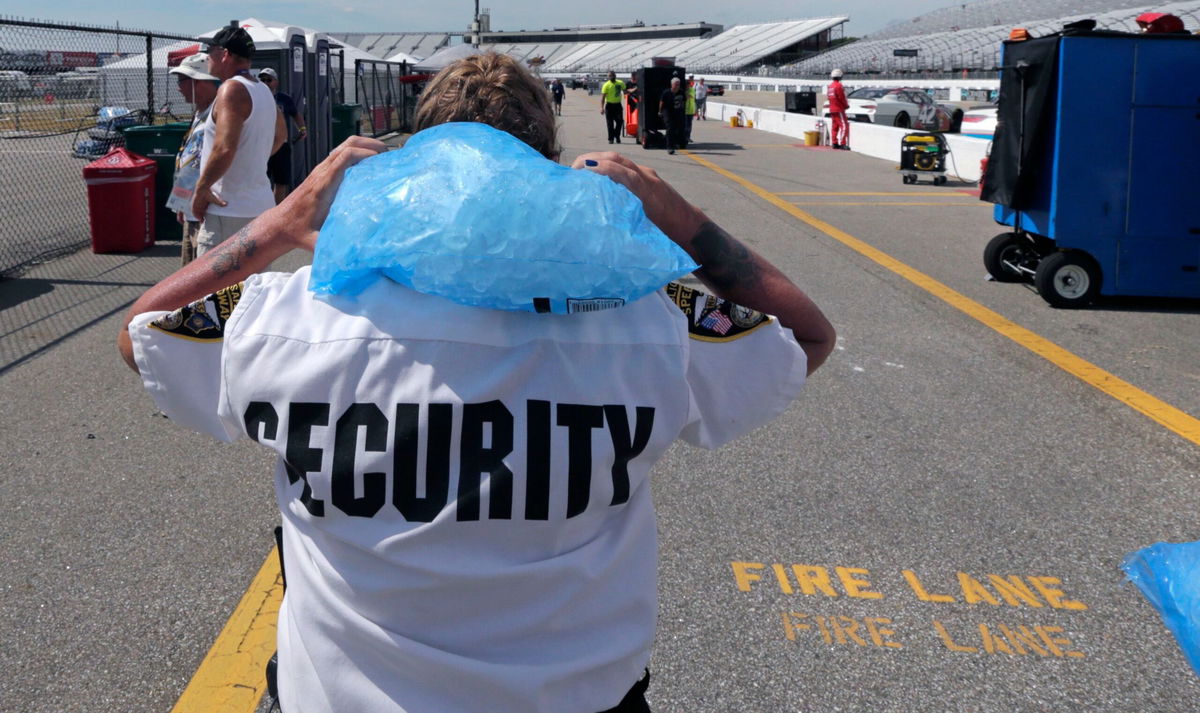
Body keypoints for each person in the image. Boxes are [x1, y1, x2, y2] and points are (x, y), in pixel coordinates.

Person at [117, 51, 834, 713]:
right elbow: (806, 334)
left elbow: (142, 332)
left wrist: (282, 220)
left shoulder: (294, 313)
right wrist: (676, 217)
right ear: (552, 169)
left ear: (413, 162)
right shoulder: (653, 320)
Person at [190, 26, 278, 255]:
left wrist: (201, 190)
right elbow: (281, 137)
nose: (207, 58)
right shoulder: (263, 90)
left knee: (218, 289)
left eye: (210, 52)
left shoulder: (232, 89)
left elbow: (224, 148)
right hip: (258, 206)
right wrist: (251, 160)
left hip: (228, 212)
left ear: (224, 54)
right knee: (252, 288)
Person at [165, 53, 219, 266]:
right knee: (188, 267)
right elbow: (190, 160)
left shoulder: (217, 114)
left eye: (182, 81)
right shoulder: (200, 113)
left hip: (204, 209)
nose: (179, 87)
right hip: (191, 207)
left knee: (201, 271)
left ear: (200, 82)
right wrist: (181, 202)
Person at [259, 67, 308, 204]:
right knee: (262, 180)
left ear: (276, 82)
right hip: (263, 145)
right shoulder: (256, 97)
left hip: (281, 145)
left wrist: (302, 128)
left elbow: (296, 114)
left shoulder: (284, 99)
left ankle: (277, 208)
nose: (265, 83)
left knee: (281, 180)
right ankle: (264, 209)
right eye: (262, 80)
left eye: (269, 80)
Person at [659, 76, 686, 155]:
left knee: (680, 127)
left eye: (679, 84)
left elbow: (684, 101)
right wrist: (660, 111)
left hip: (678, 112)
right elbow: (661, 103)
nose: (678, 86)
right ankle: (670, 147)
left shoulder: (681, 92)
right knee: (670, 128)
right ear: (672, 85)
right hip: (667, 112)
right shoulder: (666, 93)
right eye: (676, 84)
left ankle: (680, 143)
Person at [599, 70, 626, 144]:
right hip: (609, 106)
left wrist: (635, 89)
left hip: (618, 105)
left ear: (615, 75)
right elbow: (603, 97)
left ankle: (617, 135)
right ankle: (611, 139)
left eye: (613, 75)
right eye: (610, 76)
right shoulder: (606, 85)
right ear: (608, 77)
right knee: (610, 123)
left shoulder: (620, 83)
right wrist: (602, 108)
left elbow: (625, 91)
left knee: (620, 121)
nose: (611, 77)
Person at [827, 68, 850, 150]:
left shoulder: (830, 86)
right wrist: (846, 105)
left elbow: (829, 97)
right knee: (844, 126)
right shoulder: (839, 86)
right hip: (839, 109)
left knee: (835, 126)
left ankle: (834, 143)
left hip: (832, 109)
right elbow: (842, 97)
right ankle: (843, 143)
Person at [684, 77, 696, 144]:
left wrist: (686, 94)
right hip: (685, 110)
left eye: (688, 84)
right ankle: (685, 137)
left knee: (689, 125)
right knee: (685, 125)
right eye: (687, 84)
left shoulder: (692, 90)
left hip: (691, 110)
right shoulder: (683, 90)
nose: (688, 86)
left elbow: (691, 96)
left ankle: (688, 137)